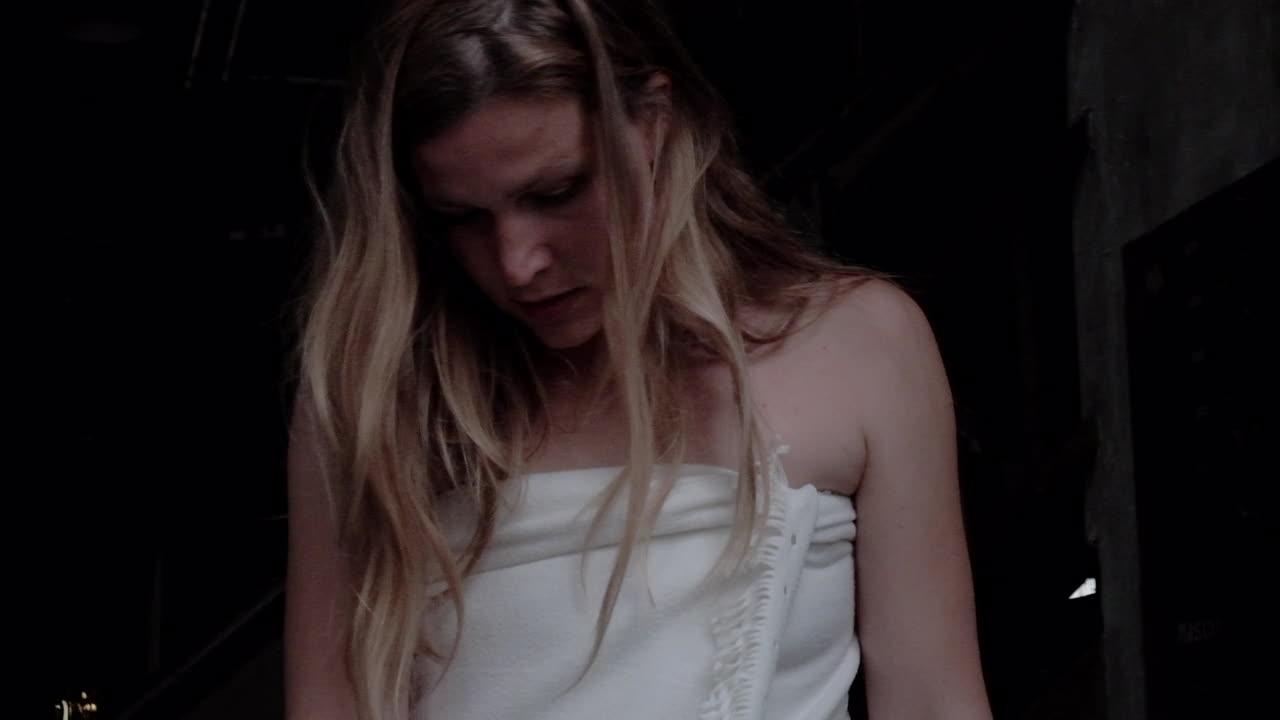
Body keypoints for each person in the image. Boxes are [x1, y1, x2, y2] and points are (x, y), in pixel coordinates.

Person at [285, 0, 993, 718]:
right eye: (462, 217)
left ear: (654, 120)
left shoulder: (859, 344)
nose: (517, 262)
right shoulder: (374, 392)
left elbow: (935, 703)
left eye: (555, 193)